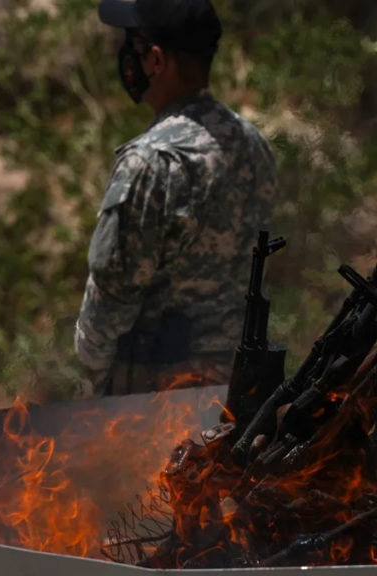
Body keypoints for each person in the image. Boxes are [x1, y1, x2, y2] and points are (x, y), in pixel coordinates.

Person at [75, 0, 278, 395]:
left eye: (132, 45)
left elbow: (113, 291)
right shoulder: (255, 146)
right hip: (235, 390)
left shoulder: (149, 161)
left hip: (154, 402)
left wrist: (94, 373)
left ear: (155, 60)